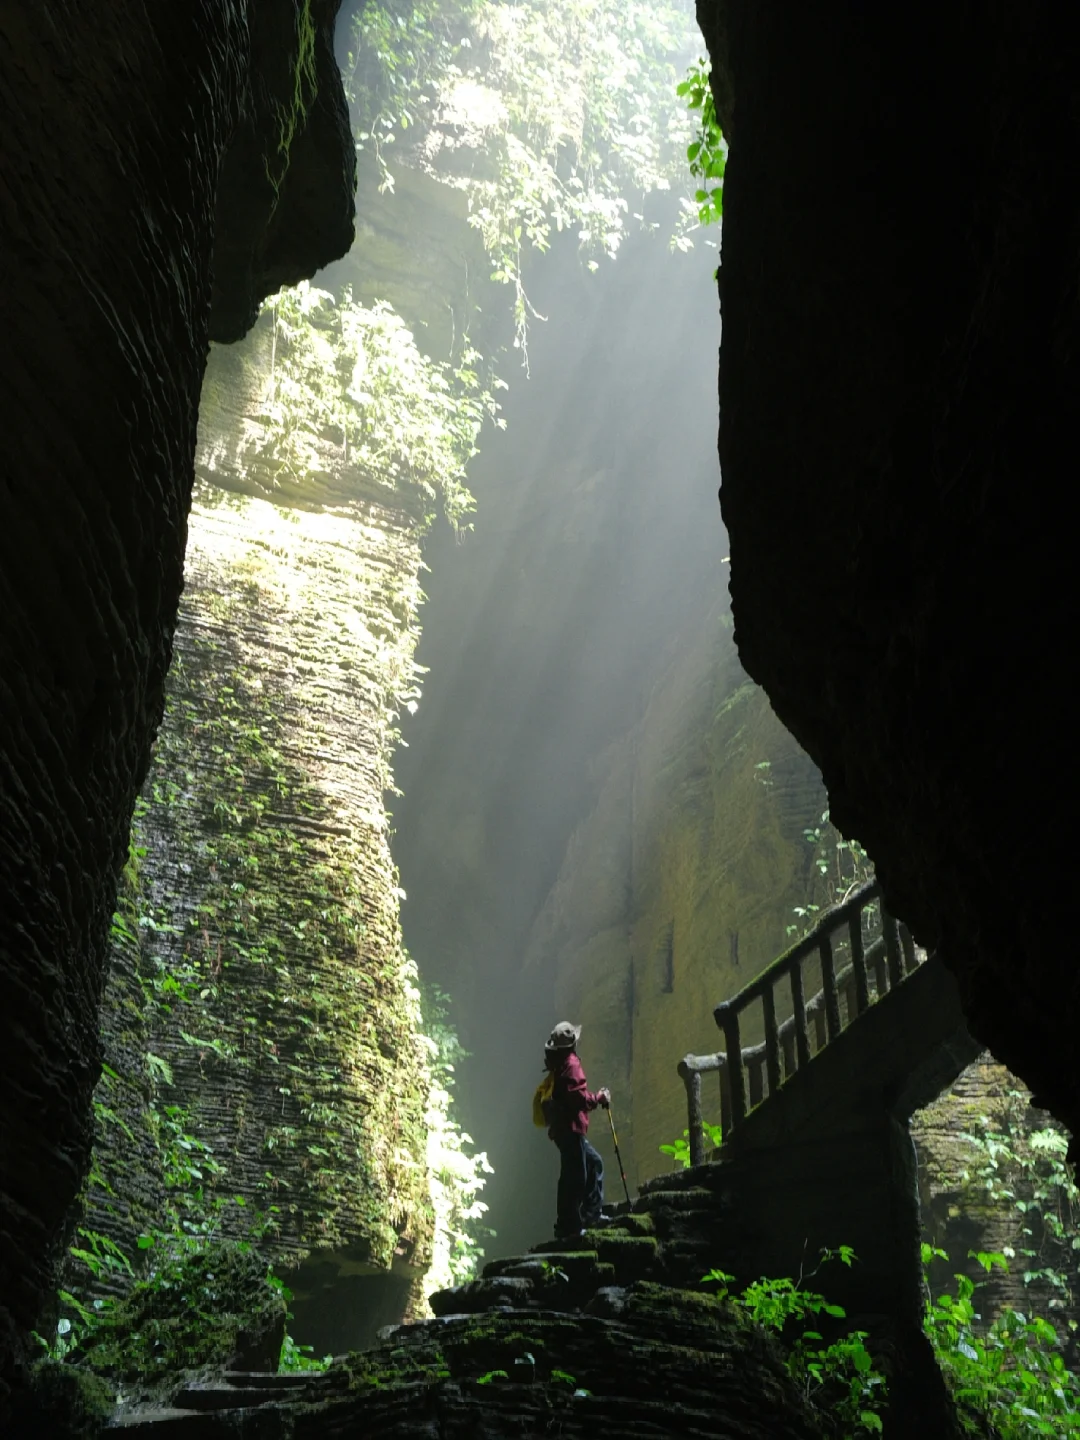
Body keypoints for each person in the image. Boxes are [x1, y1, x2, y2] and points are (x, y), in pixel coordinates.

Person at [541, 1021, 611, 1239]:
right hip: (571, 1128)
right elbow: (577, 1098)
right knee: (575, 1177)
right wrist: (598, 1098)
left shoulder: (559, 1063)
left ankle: (591, 1214)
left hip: (564, 1129)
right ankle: (569, 1226)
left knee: (593, 1163)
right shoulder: (571, 1064)